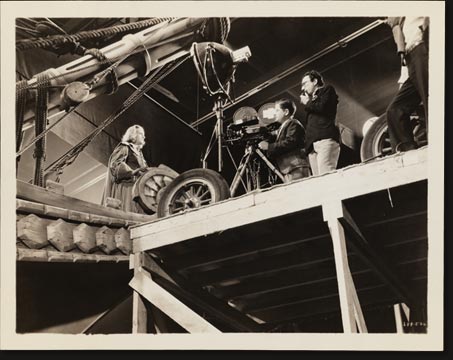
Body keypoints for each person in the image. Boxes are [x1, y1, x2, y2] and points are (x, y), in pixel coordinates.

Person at [386, 16, 429, 153]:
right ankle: (405, 150)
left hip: (422, 48)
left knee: (430, 98)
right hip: (410, 58)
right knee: (394, 110)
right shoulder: (398, 24)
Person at [258, 98, 310, 182]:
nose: (275, 113)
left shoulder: (293, 123)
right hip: (289, 169)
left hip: (296, 168)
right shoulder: (283, 127)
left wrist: (269, 146)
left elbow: (291, 142)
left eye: (277, 110)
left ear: (286, 112)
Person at [300, 70, 340, 175]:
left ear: (315, 81)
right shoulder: (312, 101)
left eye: (305, 83)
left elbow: (322, 107)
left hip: (325, 140)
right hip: (312, 146)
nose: (302, 88)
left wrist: (308, 102)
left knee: (326, 175)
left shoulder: (327, 90)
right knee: (318, 181)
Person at [102, 125, 148, 213]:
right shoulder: (124, 148)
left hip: (139, 189)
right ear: (133, 135)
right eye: (141, 134)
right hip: (127, 188)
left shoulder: (140, 154)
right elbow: (115, 165)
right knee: (128, 211)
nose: (144, 136)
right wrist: (132, 172)